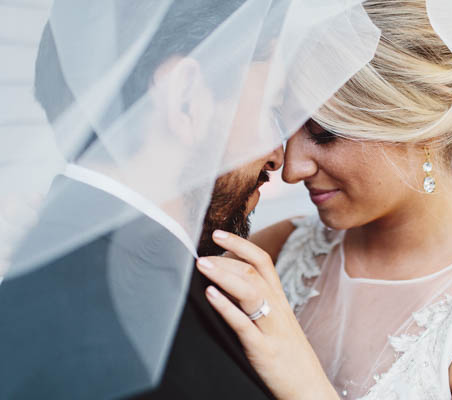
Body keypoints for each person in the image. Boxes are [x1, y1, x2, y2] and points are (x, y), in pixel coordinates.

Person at [194, 0, 452, 399]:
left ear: (421, 129)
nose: (291, 168)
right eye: (285, 124)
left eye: (324, 133)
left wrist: (306, 386)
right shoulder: (275, 252)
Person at [0, 1, 281, 399]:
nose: (278, 157)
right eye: (272, 107)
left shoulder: (36, 261)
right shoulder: (154, 342)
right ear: (185, 99)